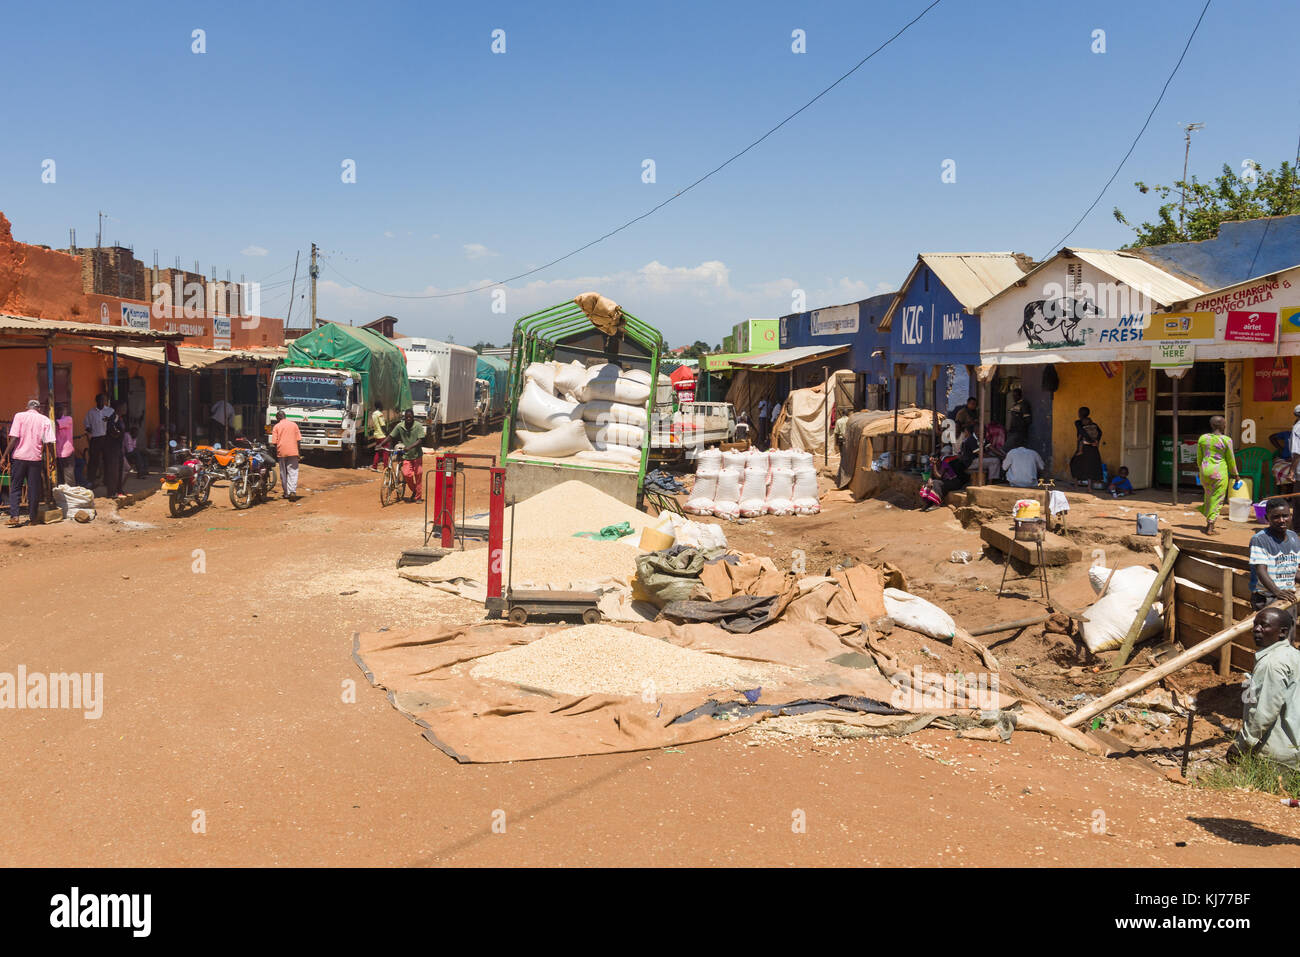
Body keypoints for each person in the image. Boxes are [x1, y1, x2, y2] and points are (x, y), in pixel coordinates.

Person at [1228, 606, 1300, 770]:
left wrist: (1242, 745)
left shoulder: (1271, 664)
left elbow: (1263, 712)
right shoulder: (1294, 656)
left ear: (1282, 632)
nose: (1256, 629)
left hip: (1277, 756)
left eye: (1264, 625)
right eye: (1255, 624)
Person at [3, 400, 55, 527]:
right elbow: (49, 442)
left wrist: (4, 456)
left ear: (27, 407)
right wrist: (53, 458)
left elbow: (14, 438)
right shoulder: (45, 420)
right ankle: (33, 519)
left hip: (19, 458)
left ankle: (15, 516)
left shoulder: (19, 416)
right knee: (33, 489)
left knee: (15, 487)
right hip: (35, 459)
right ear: (39, 409)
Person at [1249, 499, 1300, 612]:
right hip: (1268, 597)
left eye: (1285, 516)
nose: (1282, 520)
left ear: (1291, 516)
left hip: (1288, 597)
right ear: (1267, 518)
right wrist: (1277, 592)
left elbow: (1292, 570)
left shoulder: (1294, 537)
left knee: (1287, 629)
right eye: (1276, 517)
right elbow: (1261, 570)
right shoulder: (1260, 539)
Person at [1196, 415, 1239, 536]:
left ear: (1211, 425)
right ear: (1222, 426)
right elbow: (1231, 460)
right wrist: (1236, 475)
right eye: (1224, 424)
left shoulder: (1203, 438)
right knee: (1218, 498)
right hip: (1219, 472)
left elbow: (1199, 458)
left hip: (1205, 471)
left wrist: (1201, 470)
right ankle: (1210, 526)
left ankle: (1208, 520)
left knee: (1209, 496)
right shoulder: (1226, 440)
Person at [386, 408, 427, 502]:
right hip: (407, 456)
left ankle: (418, 497)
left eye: (410, 417)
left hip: (417, 456)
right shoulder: (400, 426)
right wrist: (381, 444)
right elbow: (391, 436)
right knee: (406, 474)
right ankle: (415, 491)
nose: (408, 419)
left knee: (418, 474)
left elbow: (420, 439)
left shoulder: (418, 426)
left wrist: (410, 447)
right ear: (404, 418)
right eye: (406, 417)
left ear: (413, 417)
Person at [270, 411, 302, 501]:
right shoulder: (294, 425)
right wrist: (299, 451)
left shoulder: (276, 426)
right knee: (293, 472)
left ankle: (286, 493)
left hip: (281, 452)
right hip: (293, 451)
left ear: (277, 418)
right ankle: (292, 491)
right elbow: (298, 440)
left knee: (283, 473)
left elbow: (274, 442)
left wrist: (278, 451)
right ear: (285, 416)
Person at [1070, 407, 1104, 489]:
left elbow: (1082, 432)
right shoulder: (1094, 424)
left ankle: (1076, 485)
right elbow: (1100, 432)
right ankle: (1089, 487)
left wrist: (1091, 441)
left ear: (1080, 413)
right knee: (1090, 466)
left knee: (1074, 463)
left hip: (1084, 447)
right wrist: (1096, 441)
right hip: (1093, 448)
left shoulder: (1078, 422)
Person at [83, 393, 111, 489]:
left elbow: (115, 423)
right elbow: (86, 424)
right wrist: (88, 428)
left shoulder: (110, 411)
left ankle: (107, 480)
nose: (102, 401)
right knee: (93, 461)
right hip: (95, 438)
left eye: (103, 399)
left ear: (106, 401)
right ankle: (91, 481)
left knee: (107, 460)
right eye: (99, 400)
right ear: (96, 401)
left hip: (107, 438)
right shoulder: (91, 412)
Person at [101, 400, 127, 499]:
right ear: (118, 408)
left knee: (123, 469)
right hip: (112, 448)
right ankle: (112, 492)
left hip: (118, 448)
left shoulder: (119, 418)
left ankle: (118, 489)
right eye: (124, 407)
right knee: (113, 471)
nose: (125, 409)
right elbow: (111, 429)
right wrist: (118, 433)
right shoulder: (113, 417)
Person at [54, 403, 75, 486]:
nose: (58, 411)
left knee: (69, 477)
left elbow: (56, 423)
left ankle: (71, 495)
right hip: (58, 453)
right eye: (56, 410)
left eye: (60, 409)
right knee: (60, 478)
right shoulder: (55, 421)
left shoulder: (68, 419)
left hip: (67, 453)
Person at [369, 401, 389, 471]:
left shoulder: (373, 414)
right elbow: (382, 425)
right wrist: (387, 433)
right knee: (385, 452)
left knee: (378, 451)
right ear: (380, 406)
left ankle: (374, 466)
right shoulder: (380, 414)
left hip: (376, 434)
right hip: (382, 435)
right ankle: (386, 467)